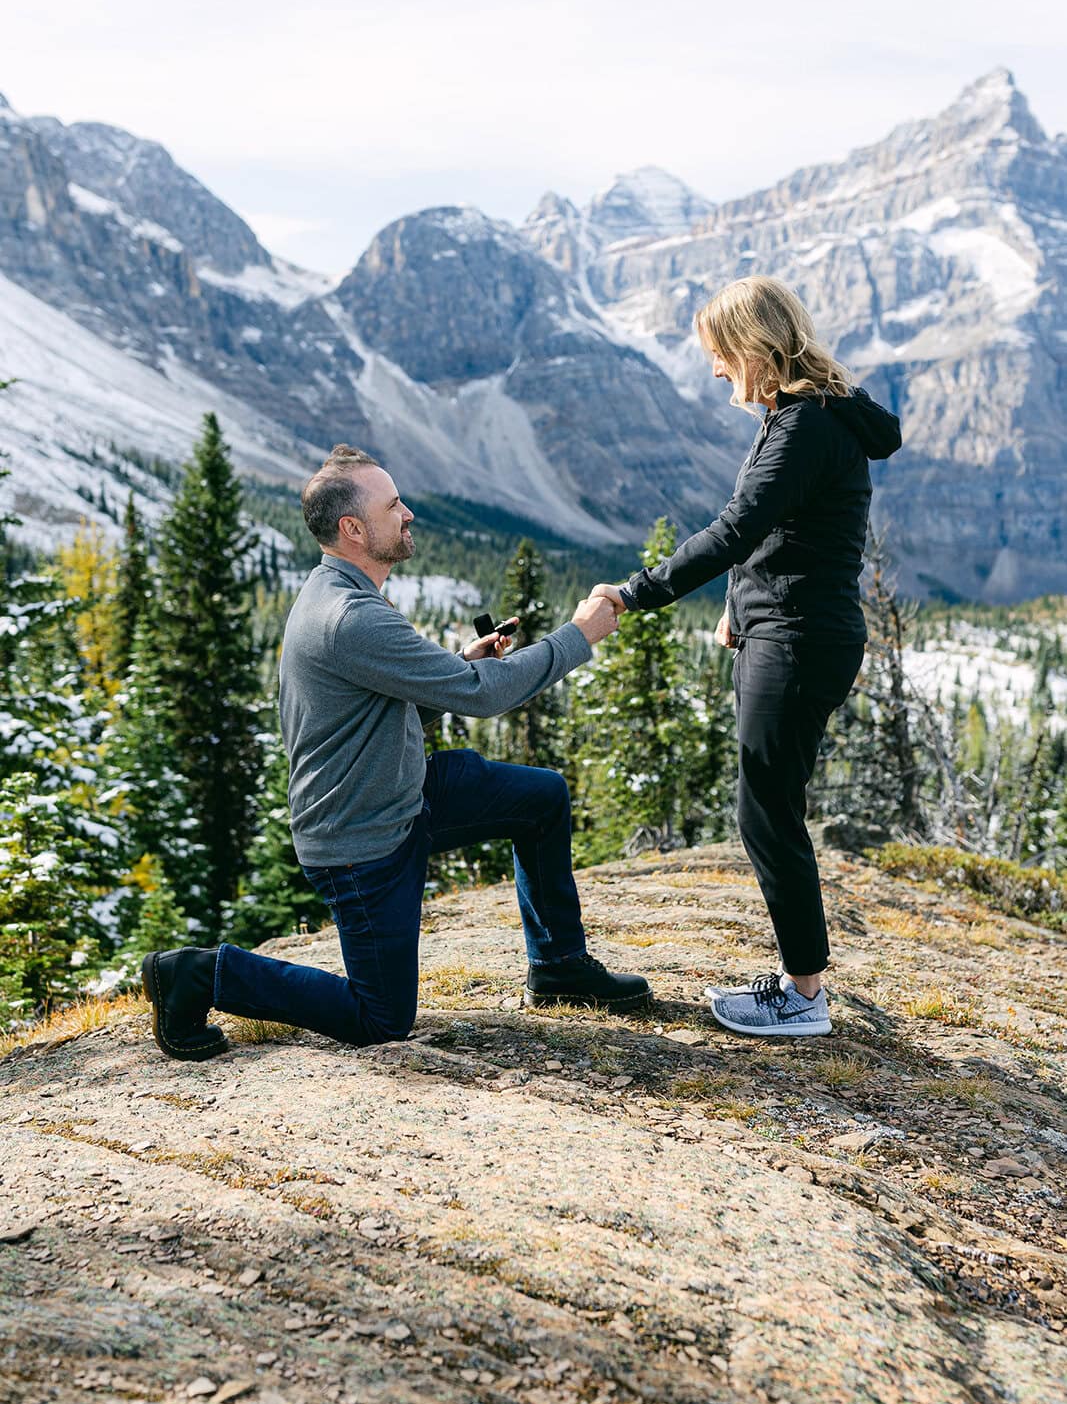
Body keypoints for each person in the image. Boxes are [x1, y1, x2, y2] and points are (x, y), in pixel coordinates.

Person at [143, 445, 651, 1060]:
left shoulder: (343, 591)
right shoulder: (348, 615)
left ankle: (561, 966)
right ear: (353, 529)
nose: (408, 513)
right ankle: (196, 973)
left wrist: (457, 667)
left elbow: (388, 705)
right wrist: (580, 635)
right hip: (362, 838)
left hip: (402, 791)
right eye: (393, 506)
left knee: (540, 798)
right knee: (380, 1018)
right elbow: (484, 699)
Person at [594, 276, 901, 1039]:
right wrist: (740, 605)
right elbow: (777, 533)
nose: (713, 369)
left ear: (755, 347)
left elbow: (734, 529)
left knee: (766, 812)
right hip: (786, 630)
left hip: (797, 639)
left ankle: (803, 998)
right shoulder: (809, 417)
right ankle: (803, 985)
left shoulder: (803, 426)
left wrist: (630, 596)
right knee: (767, 806)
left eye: (718, 354)